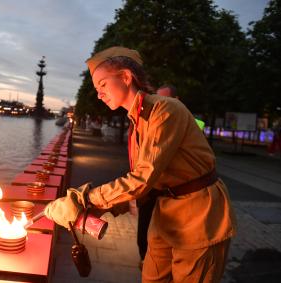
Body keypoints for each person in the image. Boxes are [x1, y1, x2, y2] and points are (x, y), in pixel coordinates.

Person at [45, 46, 236, 283]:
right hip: (164, 212)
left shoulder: (165, 109)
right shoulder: (137, 121)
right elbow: (140, 178)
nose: (99, 95)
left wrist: (85, 199)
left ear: (126, 77)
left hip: (199, 215)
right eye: (96, 89)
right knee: (151, 277)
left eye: (103, 84)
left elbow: (142, 178)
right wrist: (101, 208)